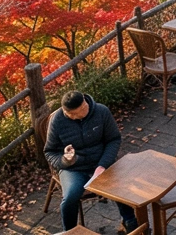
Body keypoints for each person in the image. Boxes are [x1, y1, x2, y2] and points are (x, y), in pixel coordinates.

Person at [43, 90, 139, 233]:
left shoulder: (101, 111)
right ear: (67, 112)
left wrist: (103, 165)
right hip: (74, 168)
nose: (83, 112)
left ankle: (130, 221)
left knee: (120, 184)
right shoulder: (57, 120)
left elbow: (114, 139)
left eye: (84, 107)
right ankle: (70, 231)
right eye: (77, 112)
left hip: (101, 161)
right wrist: (65, 160)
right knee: (70, 197)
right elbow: (49, 152)